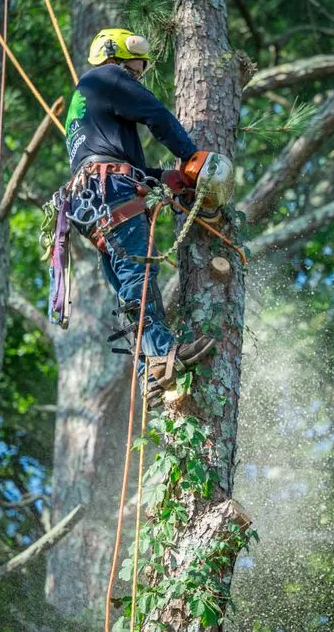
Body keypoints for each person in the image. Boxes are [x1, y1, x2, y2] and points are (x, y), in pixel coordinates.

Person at [63, 28, 213, 405]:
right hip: (108, 188)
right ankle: (162, 353)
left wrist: (166, 179)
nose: (139, 71)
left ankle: (151, 372)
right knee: (138, 273)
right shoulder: (108, 76)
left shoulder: (86, 102)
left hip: (89, 200)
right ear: (116, 54)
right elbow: (157, 116)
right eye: (137, 61)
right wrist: (192, 159)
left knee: (129, 284)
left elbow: (121, 162)